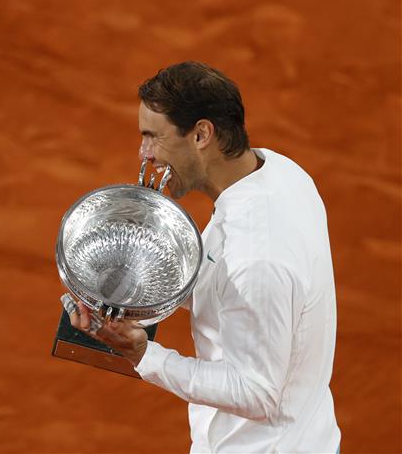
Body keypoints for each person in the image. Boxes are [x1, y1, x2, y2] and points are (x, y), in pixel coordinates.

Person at [66, 61, 341, 453]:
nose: (144, 154)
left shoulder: (258, 255)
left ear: (201, 134)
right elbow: (225, 286)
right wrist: (130, 296)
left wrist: (143, 353)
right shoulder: (278, 172)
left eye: (153, 137)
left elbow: (257, 392)